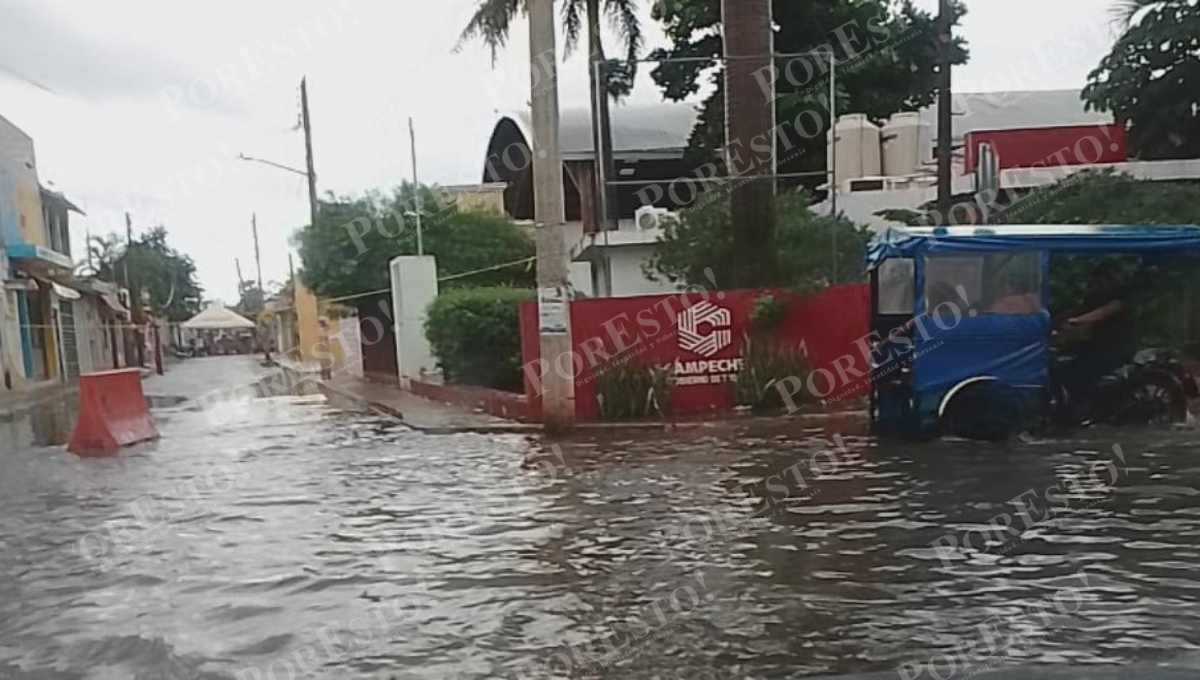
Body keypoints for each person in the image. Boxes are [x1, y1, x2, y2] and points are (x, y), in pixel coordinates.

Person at [1060, 261, 1135, 396]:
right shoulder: (1095, 297)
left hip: (1115, 348)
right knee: (1062, 362)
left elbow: (1104, 312)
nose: (1102, 282)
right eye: (1101, 278)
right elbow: (1078, 311)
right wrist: (1055, 320)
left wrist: (1078, 320)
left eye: (1108, 278)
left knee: (1078, 374)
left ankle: (1081, 409)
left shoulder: (1123, 297)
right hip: (1094, 345)